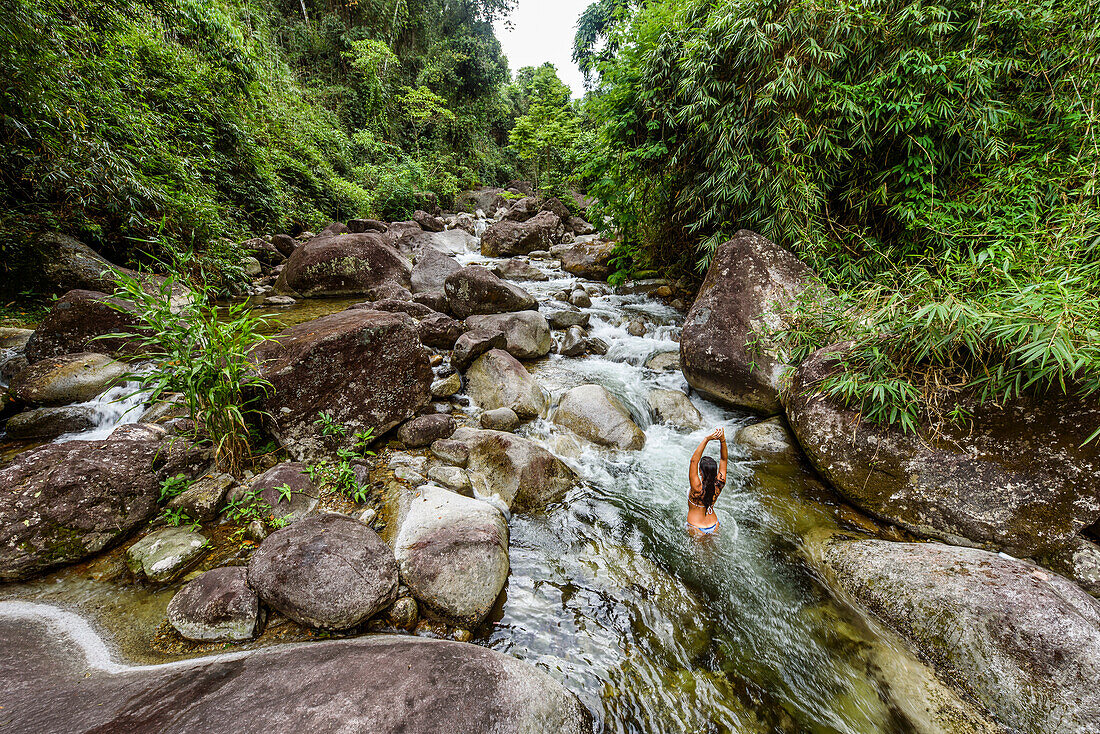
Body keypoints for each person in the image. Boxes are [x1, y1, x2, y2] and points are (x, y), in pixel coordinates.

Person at [687, 427, 727, 536]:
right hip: (714, 523)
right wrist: (722, 440)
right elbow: (724, 460)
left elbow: (693, 461)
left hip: (696, 527)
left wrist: (706, 439)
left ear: (700, 471)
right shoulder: (719, 484)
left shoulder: (697, 488)